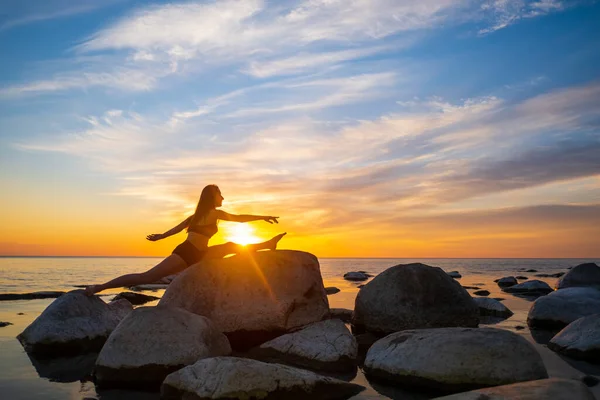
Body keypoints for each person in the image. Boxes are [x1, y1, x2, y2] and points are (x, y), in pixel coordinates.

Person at [84, 184, 286, 295]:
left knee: (231, 246)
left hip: (201, 253)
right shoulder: (210, 214)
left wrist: (161, 236)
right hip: (187, 252)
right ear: (212, 197)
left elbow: (175, 229)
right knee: (146, 278)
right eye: (220, 194)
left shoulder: (197, 216)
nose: (222, 198)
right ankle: (99, 287)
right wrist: (262, 216)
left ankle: (268, 244)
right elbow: (239, 219)